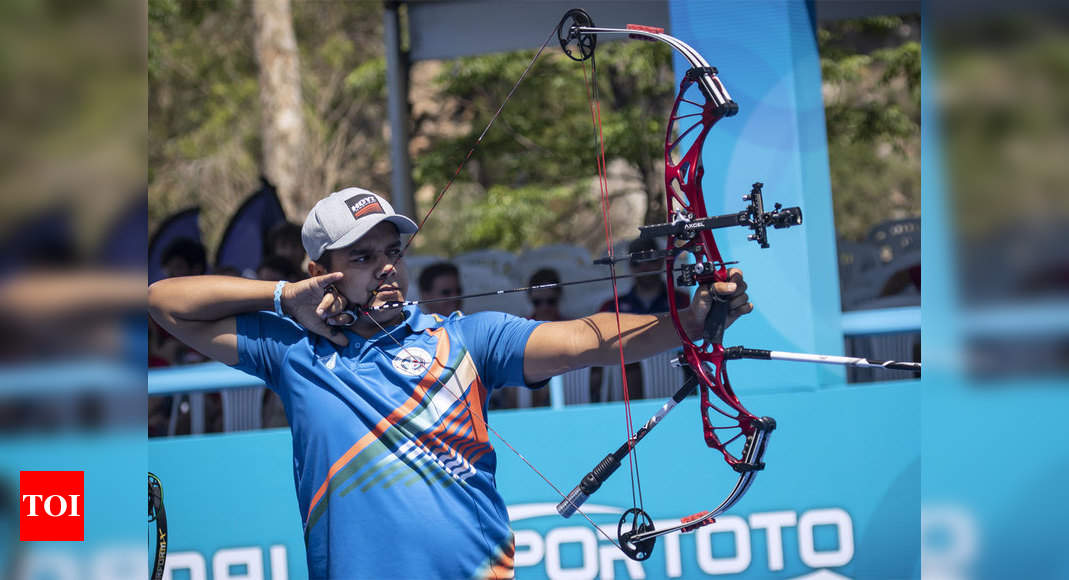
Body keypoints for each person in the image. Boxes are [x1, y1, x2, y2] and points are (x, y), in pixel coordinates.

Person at [148, 186, 751, 579]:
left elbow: (584, 338)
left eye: (393, 250)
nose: (386, 266)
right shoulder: (294, 351)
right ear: (321, 272)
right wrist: (283, 297)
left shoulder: (465, 338)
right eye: (361, 257)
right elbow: (163, 303)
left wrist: (691, 321)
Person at [591, 237, 692, 402]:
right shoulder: (611, 306)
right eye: (637, 263)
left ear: (660, 262)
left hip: (679, 375)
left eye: (650, 261)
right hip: (626, 385)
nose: (644, 267)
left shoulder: (684, 301)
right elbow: (596, 355)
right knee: (631, 367)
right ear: (630, 267)